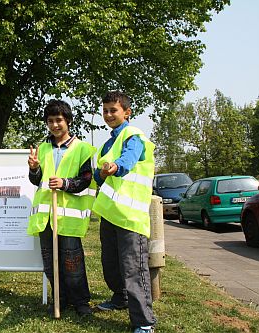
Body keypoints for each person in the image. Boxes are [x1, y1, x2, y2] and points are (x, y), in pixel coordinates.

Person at [92, 91, 156, 333]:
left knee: (133, 268)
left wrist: (116, 166)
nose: (108, 114)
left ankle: (144, 321)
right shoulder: (108, 144)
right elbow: (99, 176)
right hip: (110, 214)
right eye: (105, 110)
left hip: (130, 217)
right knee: (110, 264)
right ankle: (120, 299)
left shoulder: (134, 136)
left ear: (127, 112)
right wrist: (101, 172)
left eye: (113, 110)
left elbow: (128, 161)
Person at [27, 99, 96, 316]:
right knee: (50, 262)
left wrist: (65, 183)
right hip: (45, 216)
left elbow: (86, 179)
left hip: (69, 217)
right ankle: (59, 299)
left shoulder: (83, 148)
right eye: (50, 121)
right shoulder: (43, 148)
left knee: (72, 262)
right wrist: (34, 169)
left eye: (59, 120)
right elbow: (35, 180)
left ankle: (81, 302)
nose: (55, 125)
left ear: (68, 121)